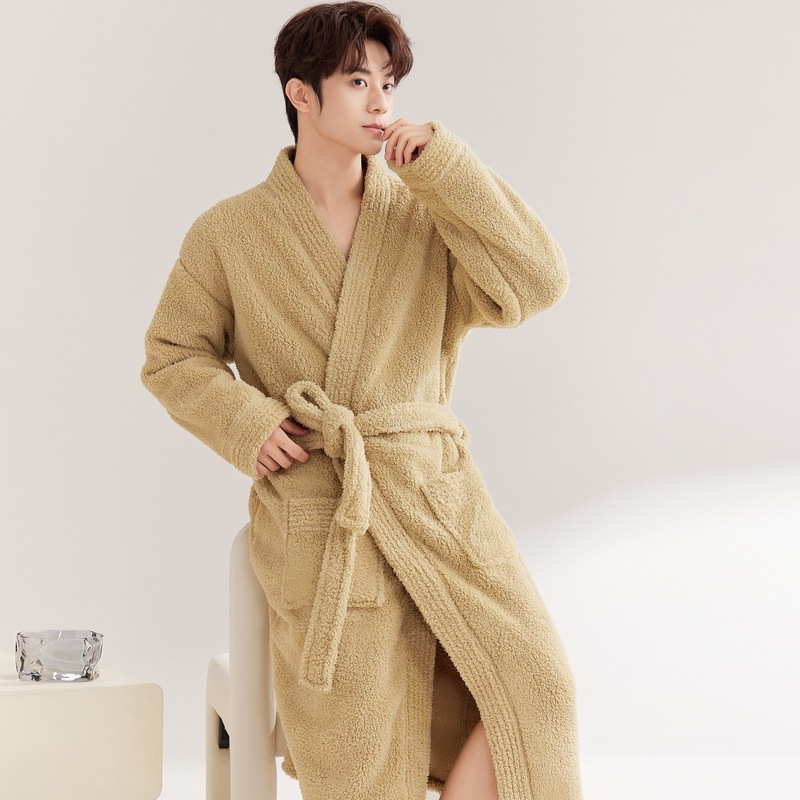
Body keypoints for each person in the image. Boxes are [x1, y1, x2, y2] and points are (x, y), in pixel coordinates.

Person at [140, 2, 583, 798]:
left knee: (537, 688)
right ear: (301, 94)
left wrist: (448, 169)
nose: (381, 101)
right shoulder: (229, 233)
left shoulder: (426, 214)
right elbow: (173, 355)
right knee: (363, 748)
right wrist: (247, 420)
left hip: (436, 500)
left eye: (389, 82)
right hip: (324, 509)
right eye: (356, 81)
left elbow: (537, 281)